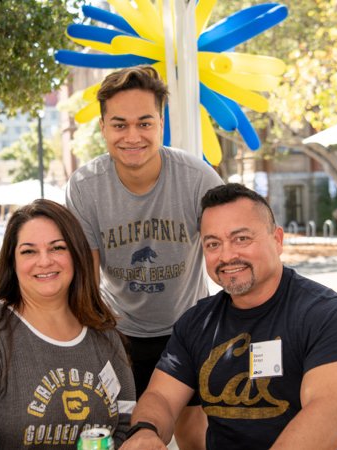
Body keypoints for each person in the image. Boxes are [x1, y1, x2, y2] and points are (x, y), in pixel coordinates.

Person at [121, 183, 337, 450]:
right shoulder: (195, 323)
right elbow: (161, 396)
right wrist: (145, 431)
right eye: (213, 243)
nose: (227, 255)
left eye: (241, 239)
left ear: (277, 240)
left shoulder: (331, 317)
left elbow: (328, 417)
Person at [65, 65, 224, 449]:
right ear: (103, 127)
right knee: (129, 435)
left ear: (161, 123)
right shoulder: (85, 188)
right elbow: (84, 279)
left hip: (188, 329)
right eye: (119, 125)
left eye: (144, 123)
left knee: (192, 432)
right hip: (120, 334)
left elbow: (231, 247)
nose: (132, 136)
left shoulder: (197, 178)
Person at [0, 199, 135, 449]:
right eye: (29, 251)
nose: (45, 261)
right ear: (12, 261)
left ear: (77, 254)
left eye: (57, 248)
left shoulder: (104, 334)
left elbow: (125, 426)